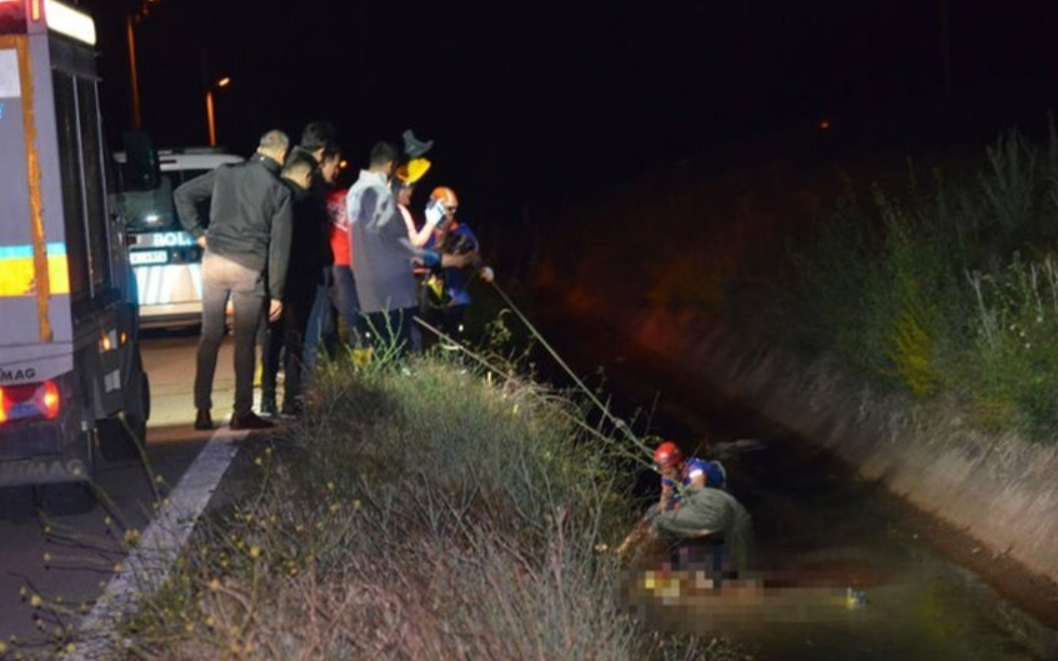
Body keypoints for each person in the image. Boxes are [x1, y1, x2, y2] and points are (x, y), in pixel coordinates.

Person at [174, 129, 293, 431]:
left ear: (258, 148)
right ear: (283, 155)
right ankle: (242, 412)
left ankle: (202, 410)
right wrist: (277, 292)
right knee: (244, 341)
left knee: (209, 335)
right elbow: (280, 247)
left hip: (214, 263)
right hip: (248, 268)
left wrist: (197, 233)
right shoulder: (279, 190)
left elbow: (182, 194)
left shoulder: (225, 173)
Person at [346, 141, 469, 356]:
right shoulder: (380, 197)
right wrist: (450, 261)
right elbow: (407, 250)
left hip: (367, 290)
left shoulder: (354, 192)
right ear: (391, 166)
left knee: (380, 353)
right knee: (396, 356)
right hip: (391, 293)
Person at [617, 441, 751, 573]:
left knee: (719, 543)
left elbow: (697, 495)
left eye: (668, 472)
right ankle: (623, 550)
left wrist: (673, 514)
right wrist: (662, 515)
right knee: (653, 512)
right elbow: (665, 498)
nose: (665, 476)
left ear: (680, 465)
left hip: (717, 502)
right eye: (663, 473)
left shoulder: (696, 471)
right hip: (695, 502)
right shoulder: (669, 471)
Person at [260, 152, 317, 417]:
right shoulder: (307, 202)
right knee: (295, 340)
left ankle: (267, 398)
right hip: (300, 280)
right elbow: (315, 245)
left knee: (271, 338)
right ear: (305, 176)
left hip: (270, 279)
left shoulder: (269, 196)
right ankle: (290, 399)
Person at [419, 186, 495, 344]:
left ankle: (453, 364)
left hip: (454, 297)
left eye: (453, 210)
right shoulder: (422, 233)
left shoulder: (461, 232)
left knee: (453, 340)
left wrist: (482, 267)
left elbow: (472, 254)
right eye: (447, 209)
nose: (451, 214)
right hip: (425, 298)